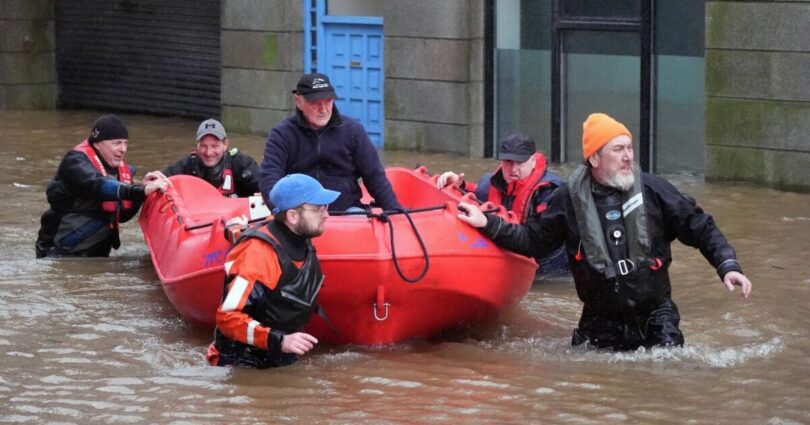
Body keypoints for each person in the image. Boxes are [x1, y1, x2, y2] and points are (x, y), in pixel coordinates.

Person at [456, 113, 752, 351]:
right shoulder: (567, 200)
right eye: (618, 149)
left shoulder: (654, 190)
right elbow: (533, 241)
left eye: (629, 148)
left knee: (668, 371)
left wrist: (727, 265)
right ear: (595, 158)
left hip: (655, 316)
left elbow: (700, 227)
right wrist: (488, 223)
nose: (628, 156)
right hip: (600, 320)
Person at [206, 173, 339, 368]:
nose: (326, 215)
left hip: (278, 355)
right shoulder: (257, 254)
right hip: (239, 363)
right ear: (292, 216)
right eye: (318, 209)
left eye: (325, 207)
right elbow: (227, 318)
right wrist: (280, 340)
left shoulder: (298, 235)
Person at [260, 72, 401, 212]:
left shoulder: (353, 130)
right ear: (299, 102)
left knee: (356, 213)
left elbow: (375, 176)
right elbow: (269, 179)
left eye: (328, 101)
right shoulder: (281, 135)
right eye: (315, 102)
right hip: (301, 216)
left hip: (347, 211)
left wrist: (395, 212)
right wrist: (281, 213)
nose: (323, 109)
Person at [35, 114, 169, 258]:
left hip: (97, 253)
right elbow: (97, 185)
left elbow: (122, 215)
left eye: (125, 143)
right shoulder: (75, 162)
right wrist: (138, 190)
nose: (123, 149)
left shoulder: (121, 171)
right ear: (98, 144)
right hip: (59, 253)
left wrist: (141, 192)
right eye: (117, 143)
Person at [436, 133, 568, 277]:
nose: (514, 169)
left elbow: (538, 241)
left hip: (548, 269)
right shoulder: (490, 183)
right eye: (508, 162)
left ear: (533, 161)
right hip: (507, 258)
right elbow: (479, 197)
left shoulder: (550, 192)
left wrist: (488, 223)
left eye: (520, 163)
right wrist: (460, 186)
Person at [164, 118, 261, 197]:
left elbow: (264, 185)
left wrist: (263, 194)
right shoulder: (188, 164)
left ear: (225, 144)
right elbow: (162, 179)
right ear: (197, 145)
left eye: (214, 146)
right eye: (203, 146)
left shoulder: (240, 163)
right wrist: (155, 184)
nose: (208, 152)